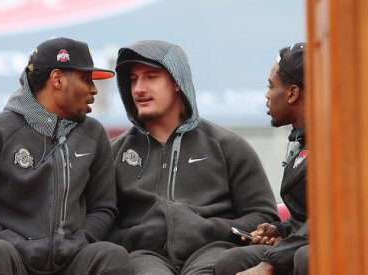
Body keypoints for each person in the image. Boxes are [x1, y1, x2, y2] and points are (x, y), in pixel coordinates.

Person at [0, 37, 131, 275]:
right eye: (86, 79)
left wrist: (79, 241)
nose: (94, 89)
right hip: (10, 258)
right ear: (57, 79)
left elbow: (104, 208)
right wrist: (15, 243)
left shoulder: (94, 134)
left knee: (110, 254)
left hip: (71, 259)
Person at [106, 39, 280, 275]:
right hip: (143, 257)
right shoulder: (112, 154)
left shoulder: (227, 145)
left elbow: (265, 219)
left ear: (177, 82)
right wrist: (138, 235)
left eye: (151, 77)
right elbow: (100, 221)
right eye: (134, 79)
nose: (139, 89)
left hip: (213, 251)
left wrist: (207, 229)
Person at [213, 42, 309, 275]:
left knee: (306, 258)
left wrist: (270, 263)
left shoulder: (336, 144)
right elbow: (307, 216)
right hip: (303, 239)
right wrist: (280, 230)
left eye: (271, 86)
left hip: (321, 244)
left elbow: (329, 218)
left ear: (292, 93)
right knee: (229, 261)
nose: (267, 95)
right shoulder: (303, 142)